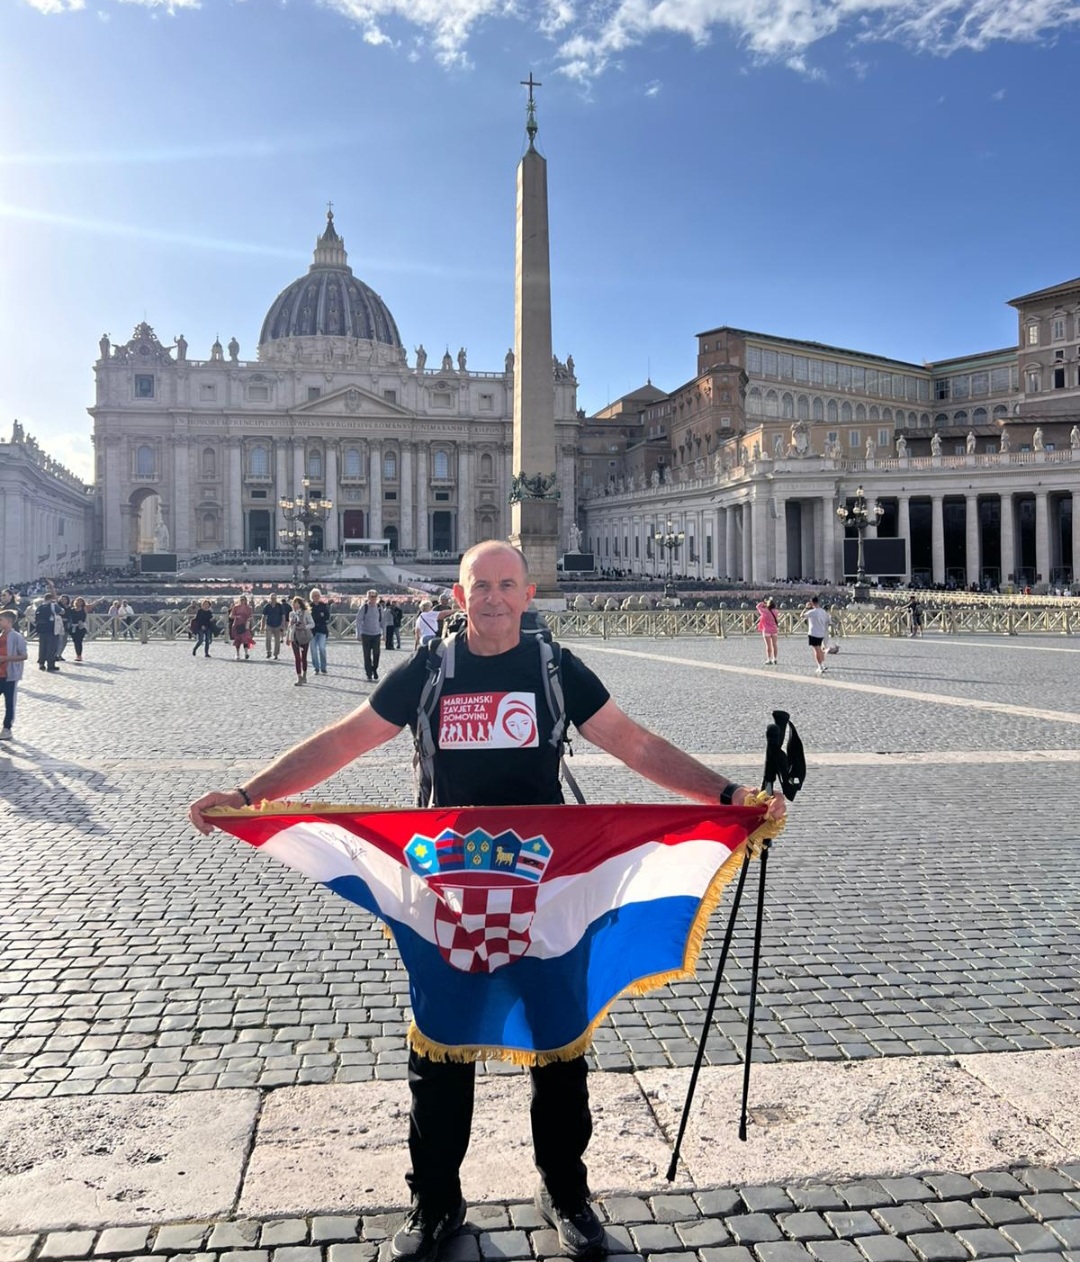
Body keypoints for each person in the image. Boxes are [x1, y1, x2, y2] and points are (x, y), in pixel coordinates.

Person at [189, 540, 786, 1262]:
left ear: (528, 595)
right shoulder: (430, 670)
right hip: (450, 887)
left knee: (559, 1046)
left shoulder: (556, 668)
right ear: (459, 595)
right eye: (481, 585)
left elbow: (634, 744)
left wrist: (725, 795)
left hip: (546, 885)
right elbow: (346, 741)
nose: (494, 597)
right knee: (441, 1048)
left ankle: (565, 1191)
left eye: (507, 585)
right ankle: (435, 1200)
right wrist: (251, 794)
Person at [0, 609, 28, 740]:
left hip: (9, 675)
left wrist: (6, 658)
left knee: (9, 703)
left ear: (9, 621)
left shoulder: (17, 637)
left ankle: (7, 728)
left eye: (1, 620)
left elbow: (24, 655)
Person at [356, 588, 382, 681]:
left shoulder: (379, 607)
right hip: (366, 634)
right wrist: (358, 633)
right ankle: (369, 673)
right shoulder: (364, 607)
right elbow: (358, 620)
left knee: (376, 653)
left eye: (374, 597)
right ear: (368, 597)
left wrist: (384, 633)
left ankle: (374, 669)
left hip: (376, 634)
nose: (373, 598)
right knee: (367, 655)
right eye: (371, 597)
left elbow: (382, 621)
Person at [287, 596, 314, 685]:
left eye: (296, 604)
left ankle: (304, 675)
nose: (294, 605)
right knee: (297, 658)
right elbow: (289, 627)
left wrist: (304, 626)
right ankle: (299, 677)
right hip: (294, 637)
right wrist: (288, 638)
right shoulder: (291, 614)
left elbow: (312, 624)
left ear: (300, 604)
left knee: (304, 657)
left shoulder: (306, 613)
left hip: (304, 637)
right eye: (293, 604)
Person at [801, 595, 830, 674]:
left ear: (812, 603)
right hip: (821, 633)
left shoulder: (812, 612)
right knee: (819, 649)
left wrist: (806, 608)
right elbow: (827, 621)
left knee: (816, 650)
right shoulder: (823, 611)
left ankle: (819, 666)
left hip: (813, 633)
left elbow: (802, 615)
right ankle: (822, 664)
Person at [35, 597, 62, 671]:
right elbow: (61, 611)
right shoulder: (53, 605)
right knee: (52, 647)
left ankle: (41, 663)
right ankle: (50, 664)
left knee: (42, 647)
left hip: (42, 629)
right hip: (51, 629)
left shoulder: (40, 606)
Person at [309, 588, 331, 675]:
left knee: (322, 648)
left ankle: (323, 667)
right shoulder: (309, 606)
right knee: (313, 650)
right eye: (314, 596)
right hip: (312, 631)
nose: (316, 597)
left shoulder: (323, 605)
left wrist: (322, 617)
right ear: (312, 597)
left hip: (322, 630)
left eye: (317, 595)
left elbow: (327, 616)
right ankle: (316, 667)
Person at [261, 594, 287, 660]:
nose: (273, 599)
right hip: (269, 625)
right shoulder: (267, 606)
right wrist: (262, 626)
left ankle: (276, 654)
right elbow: (263, 616)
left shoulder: (279, 606)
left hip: (278, 625)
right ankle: (268, 652)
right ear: (270, 598)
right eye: (272, 598)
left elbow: (283, 616)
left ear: (276, 598)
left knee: (277, 641)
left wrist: (283, 625)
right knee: (268, 639)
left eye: (274, 598)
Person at [756, 596, 779, 666]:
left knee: (768, 646)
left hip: (766, 630)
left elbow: (758, 606)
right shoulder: (776, 611)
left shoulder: (765, 611)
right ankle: (775, 659)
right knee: (774, 645)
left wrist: (764, 603)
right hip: (774, 629)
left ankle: (768, 659)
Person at [69, 597, 93, 663]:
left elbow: (92, 605)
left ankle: (79, 655)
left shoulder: (84, 609)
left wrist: (100, 600)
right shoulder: (72, 609)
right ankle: (77, 654)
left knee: (79, 641)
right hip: (74, 627)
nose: (78, 602)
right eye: (77, 601)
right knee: (75, 641)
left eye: (80, 601)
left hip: (81, 627)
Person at [230, 595, 254, 660]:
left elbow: (251, 616)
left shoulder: (249, 608)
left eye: (243, 599)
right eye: (241, 599)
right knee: (238, 640)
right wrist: (236, 617)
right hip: (237, 625)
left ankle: (246, 653)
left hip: (245, 625)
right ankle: (237, 653)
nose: (242, 601)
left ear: (246, 600)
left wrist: (249, 618)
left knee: (246, 639)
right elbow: (231, 616)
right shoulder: (235, 607)